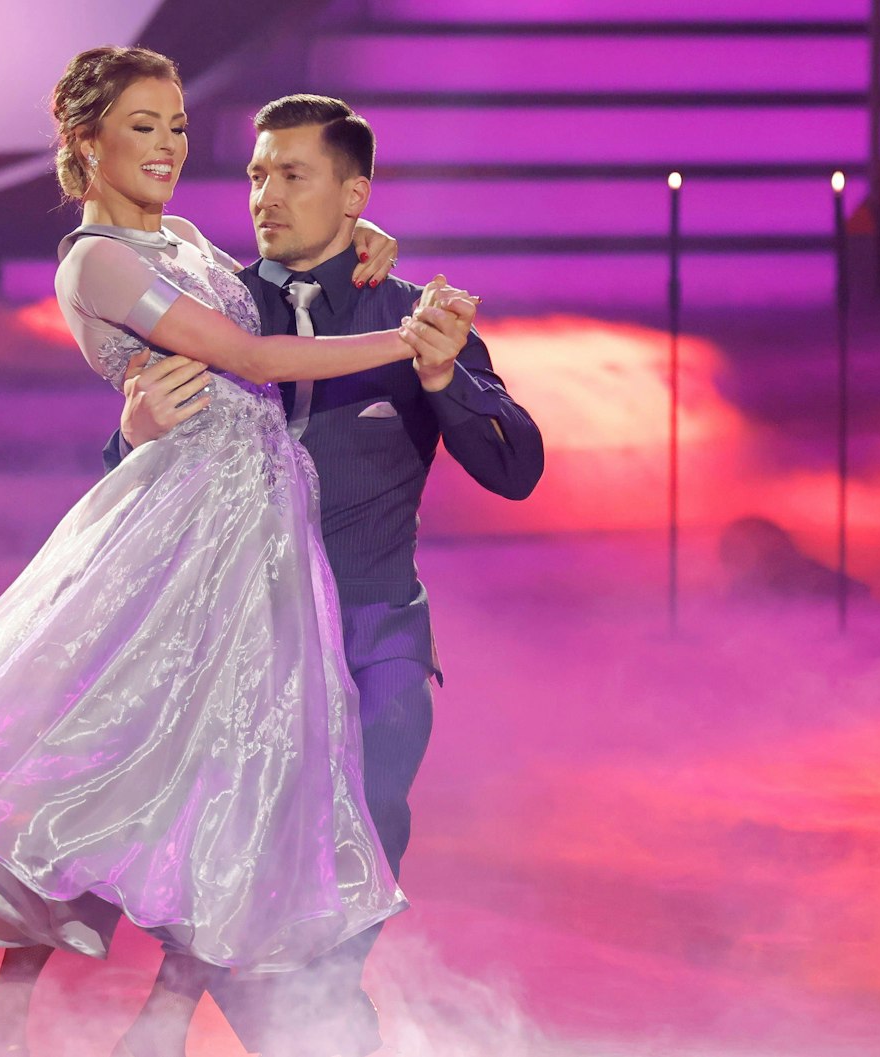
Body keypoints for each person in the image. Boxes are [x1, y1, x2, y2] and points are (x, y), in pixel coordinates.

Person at [0, 48, 481, 1057]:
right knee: (98, 751)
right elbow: (247, 356)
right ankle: (9, 1013)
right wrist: (410, 338)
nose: (166, 146)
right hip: (183, 527)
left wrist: (360, 236)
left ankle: (156, 1018)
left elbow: (267, 291)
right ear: (87, 142)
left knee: (237, 771)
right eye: (142, 125)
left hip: (262, 535)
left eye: (176, 125)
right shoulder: (94, 259)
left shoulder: (191, 239)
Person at [107, 94, 544, 1057]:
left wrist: (444, 382)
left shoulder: (412, 321)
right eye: (258, 173)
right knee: (224, 831)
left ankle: (310, 1005)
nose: (264, 194)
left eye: (293, 174)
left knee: (372, 801)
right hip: (238, 645)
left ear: (356, 195)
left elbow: (519, 467)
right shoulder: (215, 311)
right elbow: (125, 481)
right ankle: (287, 1023)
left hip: (371, 630)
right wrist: (131, 434)